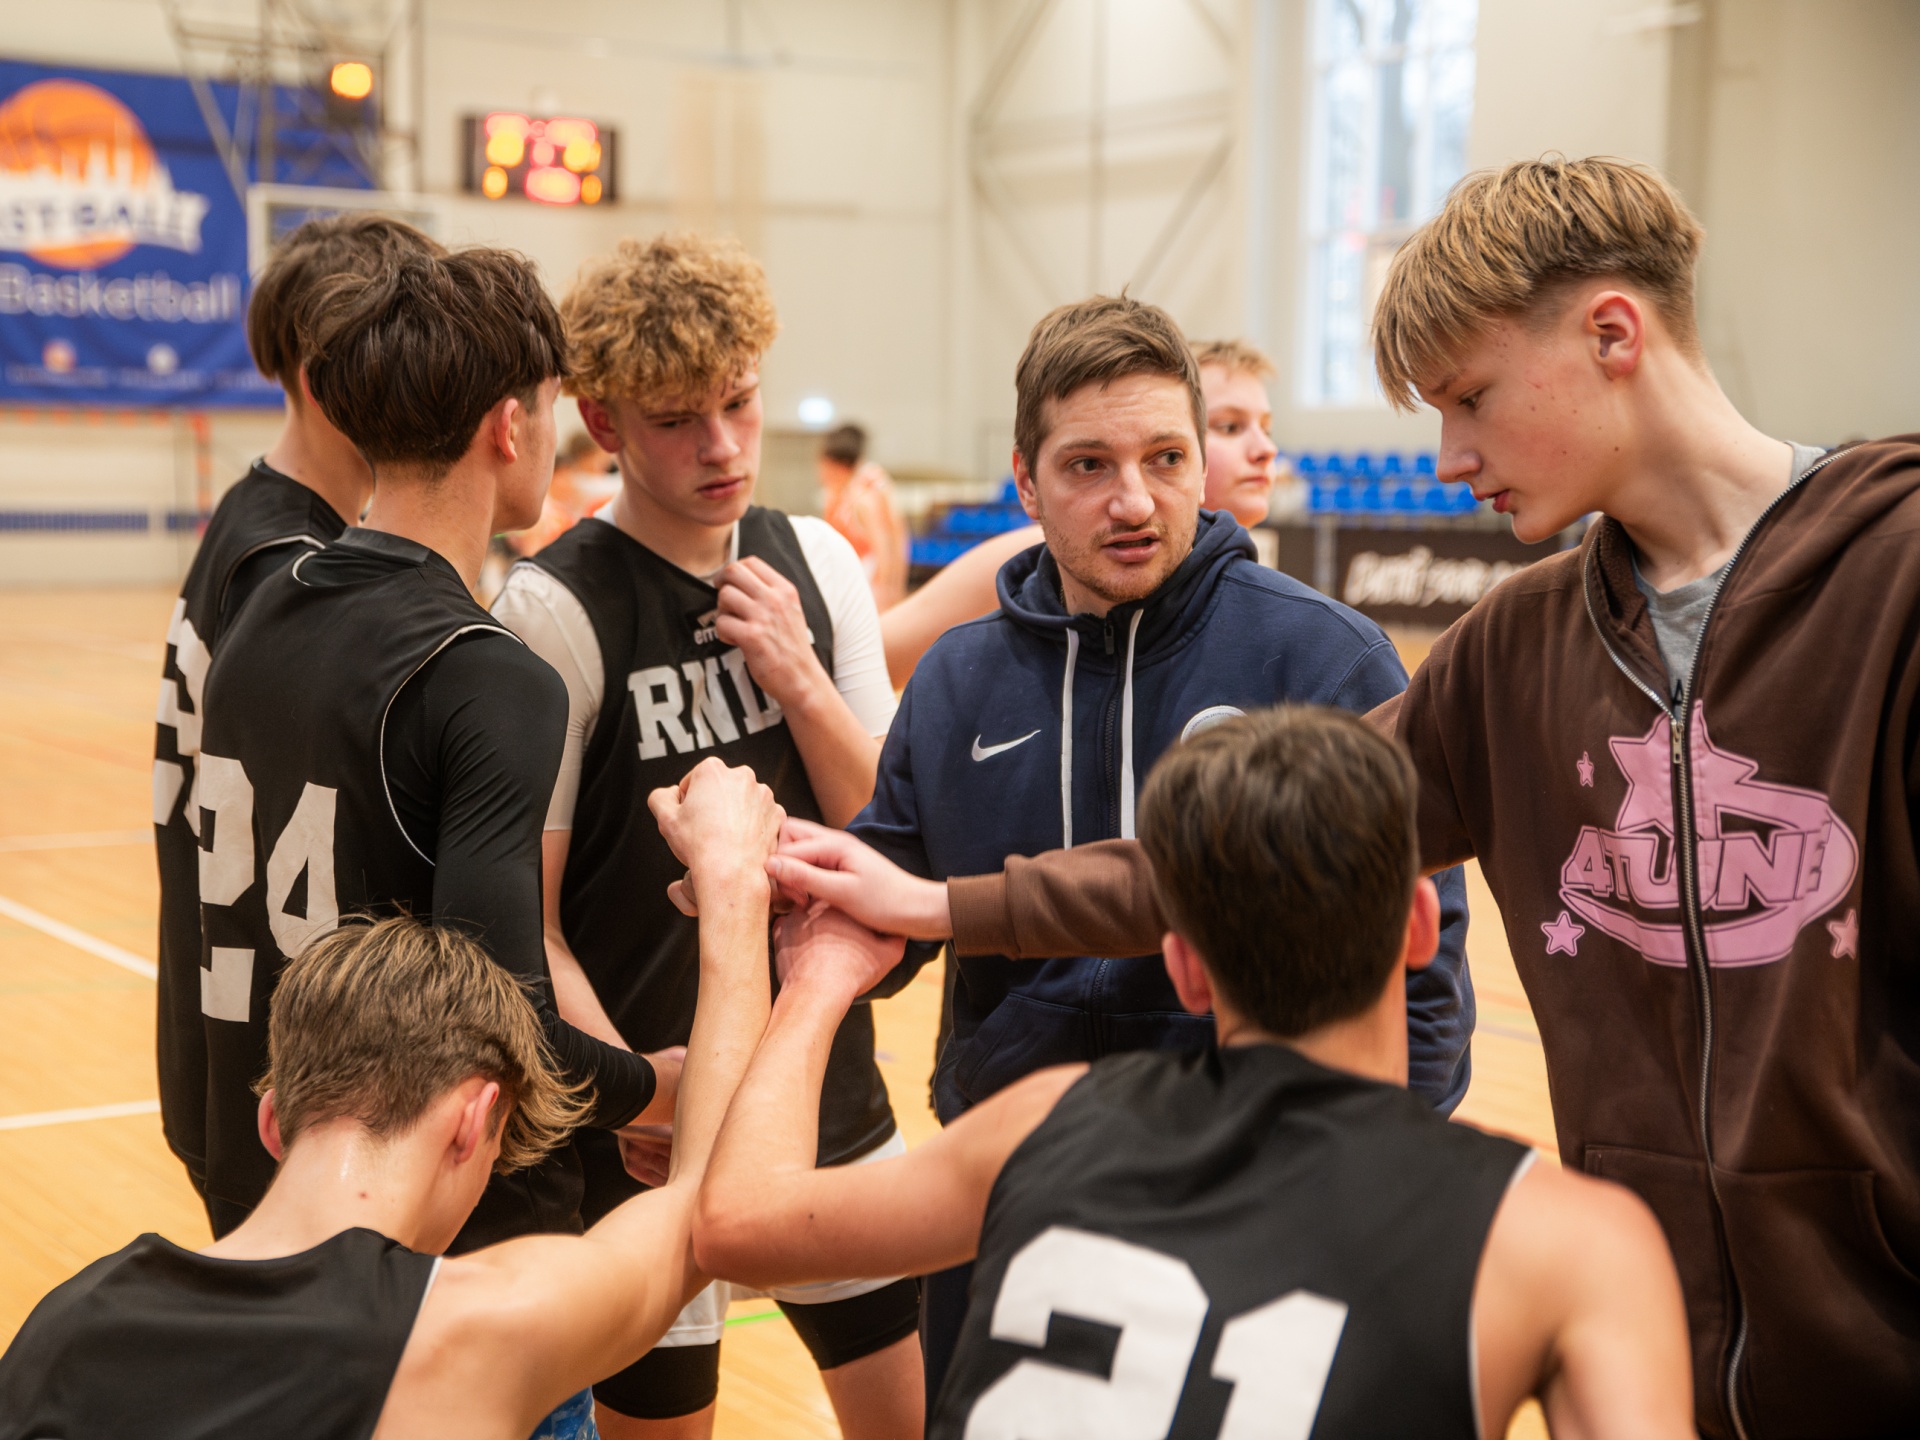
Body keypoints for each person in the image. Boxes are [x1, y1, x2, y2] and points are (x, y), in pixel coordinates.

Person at [780, 157, 1920, 1438]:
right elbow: (1229, 861)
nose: (1448, 459)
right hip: (1655, 1359)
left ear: (1613, 334)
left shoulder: (1896, 580)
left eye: (1470, 399)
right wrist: (939, 906)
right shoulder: (1514, 647)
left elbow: (1410, 991)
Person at [699, 707, 1692, 1439]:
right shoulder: (1567, 1238)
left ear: (1183, 967)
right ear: (1422, 930)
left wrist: (817, 982)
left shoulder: (1036, 1120)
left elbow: (735, 1222)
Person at [839, 293, 1474, 1401]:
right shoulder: (958, 677)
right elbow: (878, 927)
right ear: (1025, 481)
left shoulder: (1323, 660)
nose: (1134, 501)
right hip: (1009, 1194)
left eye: (1166, 458)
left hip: (1259, 1207)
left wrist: (1351, 1194)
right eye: (1088, 466)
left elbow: (1427, 988)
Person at [0, 758, 782, 1440]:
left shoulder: (68, 1323)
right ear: (472, 1122)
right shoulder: (462, 1333)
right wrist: (737, 884)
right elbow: (703, 1210)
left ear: (273, 1124)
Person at [489, 232, 920, 1440]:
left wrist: (801, 677)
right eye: (679, 420)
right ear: (603, 421)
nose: (723, 446)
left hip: (829, 1090)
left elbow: (893, 842)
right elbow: (525, 920)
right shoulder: (553, 608)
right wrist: (633, 1090)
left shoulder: (816, 561)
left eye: (739, 404)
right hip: (647, 1132)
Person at [192, 244, 669, 1274]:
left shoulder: (259, 602)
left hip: (264, 1167)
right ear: (511, 425)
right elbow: (505, 1029)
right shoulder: (487, 674)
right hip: (433, 1219)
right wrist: (655, 1086)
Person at [151, 213, 442, 1227]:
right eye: (407, 360)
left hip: (241, 1042)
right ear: (328, 382)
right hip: (280, 1080)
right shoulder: (292, 569)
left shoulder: (260, 520)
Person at [877, 337, 1282, 687]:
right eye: (1229, 427)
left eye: (1266, 427)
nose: (1265, 449)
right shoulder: (1040, 558)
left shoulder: (1273, 602)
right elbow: (869, 663)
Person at [818, 423, 910, 609]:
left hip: (869, 575)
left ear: (835, 464)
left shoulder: (868, 491)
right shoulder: (838, 493)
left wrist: (893, 587)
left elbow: (895, 536)